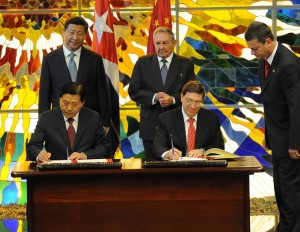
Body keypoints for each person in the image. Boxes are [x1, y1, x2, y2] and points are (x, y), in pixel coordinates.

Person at [245, 21, 300, 232]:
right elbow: (271, 103)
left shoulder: (288, 64)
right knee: (281, 189)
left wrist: (296, 143)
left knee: (291, 192)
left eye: (255, 48)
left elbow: (296, 106)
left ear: (268, 42)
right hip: (277, 139)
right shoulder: (264, 60)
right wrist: (267, 134)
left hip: (290, 143)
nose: (252, 53)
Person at [129, 26, 196, 160]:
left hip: (177, 126)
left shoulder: (186, 64)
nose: (161, 47)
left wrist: (173, 99)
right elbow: (133, 91)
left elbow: (192, 92)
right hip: (150, 127)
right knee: (152, 173)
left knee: (177, 170)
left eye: (165, 43)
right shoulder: (143, 62)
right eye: (158, 43)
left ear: (174, 43)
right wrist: (154, 97)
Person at [38, 16, 111, 133]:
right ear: (63, 33)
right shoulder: (49, 59)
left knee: (87, 152)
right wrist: (43, 123)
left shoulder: (95, 59)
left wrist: (105, 122)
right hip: (58, 121)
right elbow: (44, 95)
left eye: (80, 34)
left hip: (89, 121)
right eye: (71, 33)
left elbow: (102, 92)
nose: (75, 37)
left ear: (85, 35)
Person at [27, 82, 111, 162]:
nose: (69, 108)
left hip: (85, 172)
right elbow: (33, 145)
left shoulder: (93, 118)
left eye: (74, 104)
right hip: (55, 172)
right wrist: (39, 155)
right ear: (59, 99)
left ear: (82, 103)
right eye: (65, 103)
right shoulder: (46, 118)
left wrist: (85, 155)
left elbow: (104, 148)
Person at [153, 80, 224, 160]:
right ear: (181, 97)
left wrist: (202, 151)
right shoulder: (166, 118)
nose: (193, 106)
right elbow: (158, 147)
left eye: (197, 102)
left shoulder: (211, 119)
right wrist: (167, 154)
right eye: (189, 101)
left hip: (203, 168)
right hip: (175, 167)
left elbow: (219, 147)